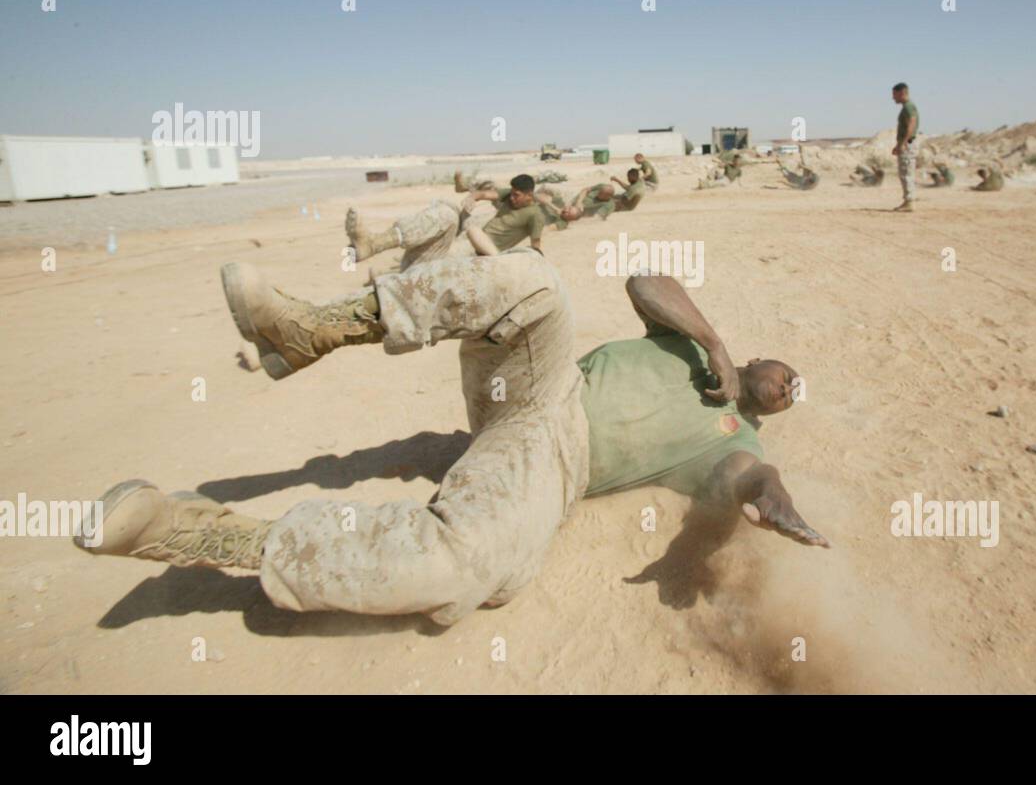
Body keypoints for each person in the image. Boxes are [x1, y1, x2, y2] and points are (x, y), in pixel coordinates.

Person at [73, 257, 827, 626]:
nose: (789, 386)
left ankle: (189, 528)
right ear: (760, 358)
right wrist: (716, 345)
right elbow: (642, 282)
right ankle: (312, 329)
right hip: (540, 384)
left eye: (795, 393)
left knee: (465, 566)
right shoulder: (698, 347)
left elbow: (750, 483)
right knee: (537, 282)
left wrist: (778, 502)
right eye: (787, 370)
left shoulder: (743, 446)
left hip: (552, 462)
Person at [346, 173, 546, 269]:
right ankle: (374, 243)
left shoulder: (535, 215)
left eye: (517, 195)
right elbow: (483, 193)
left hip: (479, 249)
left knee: (453, 223)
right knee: (446, 208)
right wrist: (471, 199)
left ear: (529, 195)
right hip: (467, 236)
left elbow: (536, 247)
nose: (512, 198)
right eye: (511, 194)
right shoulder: (509, 196)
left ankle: (387, 269)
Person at [891, 83, 919, 212]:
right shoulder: (907, 107)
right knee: (905, 172)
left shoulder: (908, 107)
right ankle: (909, 200)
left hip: (908, 144)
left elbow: (911, 125)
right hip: (907, 143)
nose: (893, 98)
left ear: (902, 93)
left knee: (906, 173)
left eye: (895, 95)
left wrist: (903, 143)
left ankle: (909, 202)